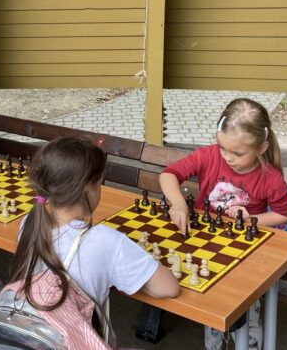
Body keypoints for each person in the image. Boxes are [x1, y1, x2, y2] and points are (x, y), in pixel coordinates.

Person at [11, 136, 180, 348]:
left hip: (31, 338)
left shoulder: (29, 221)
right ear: (87, 189)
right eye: (99, 184)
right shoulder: (104, 240)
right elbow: (169, 287)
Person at [159, 98, 287, 350]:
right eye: (223, 148)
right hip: (206, 246)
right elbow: (169, 174)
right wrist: (177, 203)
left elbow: (284, 214)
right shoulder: (208, 155)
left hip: (246, 251)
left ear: (262, 147)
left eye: (237, 153)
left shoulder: (270, 179)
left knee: (246, 309)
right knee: (212, 302)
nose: (227, 157)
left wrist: (251, 219)